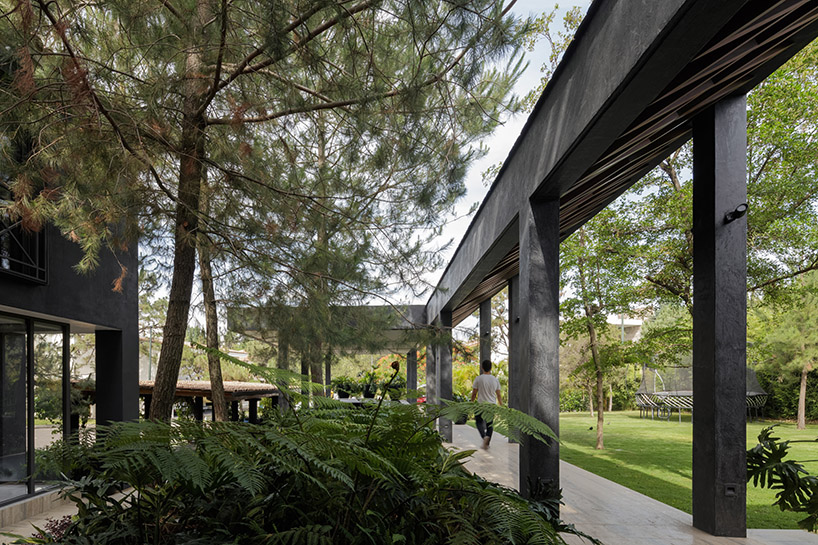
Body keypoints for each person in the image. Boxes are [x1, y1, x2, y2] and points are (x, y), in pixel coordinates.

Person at [470, 359, 502, 449]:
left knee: (479, 422)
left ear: (482, 367)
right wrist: (501, 405)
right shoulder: (495, 380)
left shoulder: (478, 378)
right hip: (491, 405)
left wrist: (471, 403)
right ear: (491, 368)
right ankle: (487, 441)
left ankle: (484, 437)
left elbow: (474, 393)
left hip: (481, 405)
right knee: (490, 424)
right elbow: (498, 395)